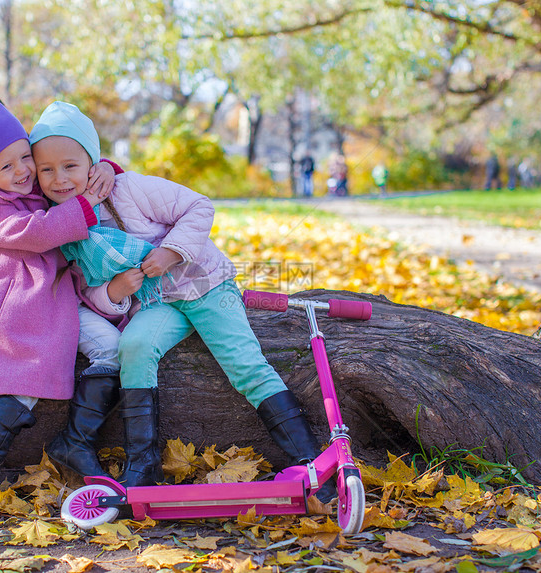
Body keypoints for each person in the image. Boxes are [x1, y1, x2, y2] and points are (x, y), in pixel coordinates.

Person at [29, 101, 336, 502]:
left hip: (206, 287)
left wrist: (172, 251)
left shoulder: (128, 188)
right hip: (158, 304)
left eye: (70, 165)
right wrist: (115, 292)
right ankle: (144, 462)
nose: (59, 178)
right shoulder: (65, 225)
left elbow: (199, 206)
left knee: (245, 365)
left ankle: (311, 460)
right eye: (46, 170)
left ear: (92, 160)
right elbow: (87, 290)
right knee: (134, 346)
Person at [0, 94, 125, 496]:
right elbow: (39, 232)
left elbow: (65, 170)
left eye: (25, 156)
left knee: (112, 347)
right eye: (7, 166)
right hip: (12, 302)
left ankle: (75, 441)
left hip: (55, 294)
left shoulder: (29, 181)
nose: (24, 171)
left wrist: (105, 169)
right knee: (22, 384)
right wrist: (88, 202)